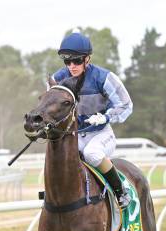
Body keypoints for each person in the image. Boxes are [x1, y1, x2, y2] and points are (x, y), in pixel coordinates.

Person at [52, 32, 133, 208]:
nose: (72, 66)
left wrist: (106, 117)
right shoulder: (57, 79)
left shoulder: (104, 78)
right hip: (75, 135)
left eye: (77, 61)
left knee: (91, 154)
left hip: (101, 134)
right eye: (67, 61)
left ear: (87, 59)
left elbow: (126, 105)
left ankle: (121, 192)